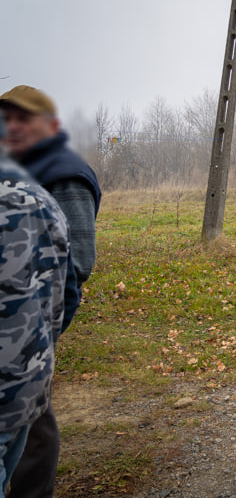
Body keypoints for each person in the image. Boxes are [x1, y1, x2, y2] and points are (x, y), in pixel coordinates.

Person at [1, 85, 101, 498]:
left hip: (29, 324)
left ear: (52, 126)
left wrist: (43, 330)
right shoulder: (20, 168)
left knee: (33, 425)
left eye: (25, 118)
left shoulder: (63, 173)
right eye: (7, 119)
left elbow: (77, 263)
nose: (13, 127)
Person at [0, 114, 75, 494]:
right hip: (24, 382)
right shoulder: (39, 198)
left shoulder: (62, 179)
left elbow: (75, 271)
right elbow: (65, 292)